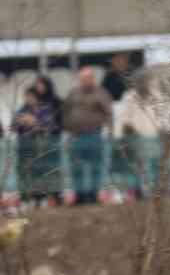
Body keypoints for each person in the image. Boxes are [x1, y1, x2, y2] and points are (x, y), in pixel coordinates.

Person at [60, 66, 114, 204]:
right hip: (75, 136)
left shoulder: (101, 93)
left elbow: (108, 113)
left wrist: (110, 130)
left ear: (93, 79)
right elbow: (65, 111)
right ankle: (79, 195)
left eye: (87, 78)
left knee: (95, 166)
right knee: (76, 167)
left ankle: (94, 194)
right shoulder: (73, 93)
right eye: (82, 79)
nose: (85, 81)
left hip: (94, 135)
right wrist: (66, 129)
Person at [13, 77, 62, 202]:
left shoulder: (45, 110)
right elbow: (14, 126)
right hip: (25, 149)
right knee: (25, 173)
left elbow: (51, 126)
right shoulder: (21, 110)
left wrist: (35, 123)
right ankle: (27, 198)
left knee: (43, 171)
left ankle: (47, 197)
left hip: (43, 148)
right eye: (27, 96)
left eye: (31, 96)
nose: (29, 99)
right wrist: (23, 122)